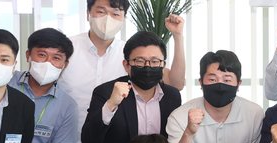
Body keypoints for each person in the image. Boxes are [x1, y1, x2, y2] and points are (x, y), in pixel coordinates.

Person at [80, 31, 182, 143]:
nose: (148, 66)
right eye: (140, 61)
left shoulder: (171, 96)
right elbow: (89, 140)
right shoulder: (106, 92)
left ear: (163, 65)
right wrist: (111, 104)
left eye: (155, 61)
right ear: (126, 65)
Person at [60, 0, 187, 132]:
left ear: (123, 20)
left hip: (110, 142)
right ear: (88, 14)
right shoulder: (65, 49)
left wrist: (177, 37)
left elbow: (175, 83)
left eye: (115, 14)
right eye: (101, 11)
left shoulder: (132, 55)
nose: (107, 18)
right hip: (67, 140)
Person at [8, 28, 79, 143]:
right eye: (41, 55)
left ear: (65, 64)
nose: (48, 63)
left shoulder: (67, 106)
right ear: (28, 56)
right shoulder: (7, 83)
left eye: (56, 58)